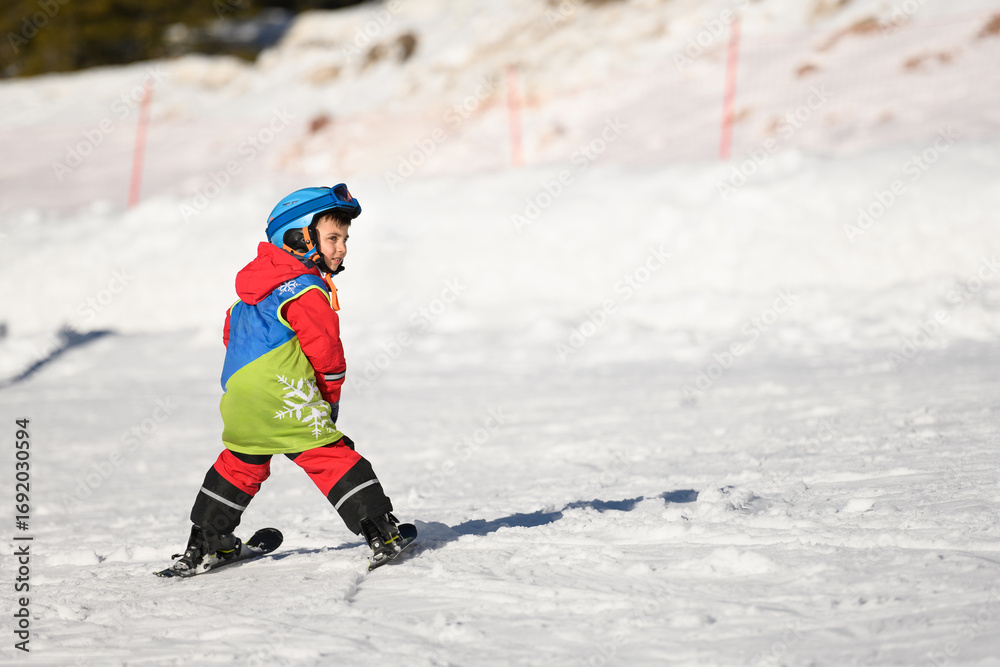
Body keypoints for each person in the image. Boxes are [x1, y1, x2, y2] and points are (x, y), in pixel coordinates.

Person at [167, 184, 403, 574]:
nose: (341, 248)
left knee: (239, 463)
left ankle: (207, 541)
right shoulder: (305, 290)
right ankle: (382, 532)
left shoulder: (245, 299)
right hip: (286, 401)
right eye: (331, 238)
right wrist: (328, 399)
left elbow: (232, 341)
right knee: (331, 456)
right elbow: (326, 351)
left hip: (239, 404)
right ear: (297, 237)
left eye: (344, 239)